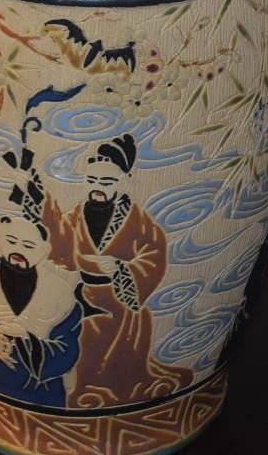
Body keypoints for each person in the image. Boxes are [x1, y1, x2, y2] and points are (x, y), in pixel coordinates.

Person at [40, 134, 192, 406]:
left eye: (107, 182)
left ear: (125, 179)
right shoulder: (78, 214)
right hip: (85, 294)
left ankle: (112, 390)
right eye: (92, 180)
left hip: (121, 301)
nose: (98, 187)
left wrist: (121, 267)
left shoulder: (138, 220)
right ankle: (78, 388)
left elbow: (154, 255)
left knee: (114, 341)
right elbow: (61, 247)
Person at [0, 214, 84, 408]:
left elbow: (66, 347)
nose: (18, 250)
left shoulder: (60, 294)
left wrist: (26, 336)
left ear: (43, 250)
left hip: (38, 384)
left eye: (28, 246)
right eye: (11, 241)